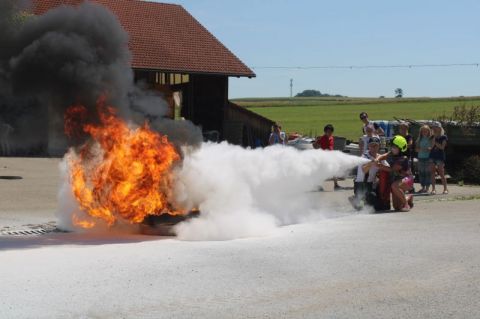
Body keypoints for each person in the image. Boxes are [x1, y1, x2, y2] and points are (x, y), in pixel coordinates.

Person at [349, 136, 388, 210]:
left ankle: (360, 200)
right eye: (371, 145)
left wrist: (381, 166)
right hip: (361, 185)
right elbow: (364, 170)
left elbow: (388, 168)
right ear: (368, 146)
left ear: (379, 146)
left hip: (370, 185)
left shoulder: (379, 157)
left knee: (382, 206)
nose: (373, 147)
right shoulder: (364, 156)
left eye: (376, 145)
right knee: (364, 208)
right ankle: (356, 199)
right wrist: (372, 163)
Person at [377, 135, 414, 212]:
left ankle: (406, 205)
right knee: (397, 207)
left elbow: (392, 169)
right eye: (392, 146)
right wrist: (376, 159)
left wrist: (379, 166)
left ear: (400, 149)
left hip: (407, 180)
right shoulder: (391, 153)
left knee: (394, 186)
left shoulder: (403, 159)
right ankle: (409, 197)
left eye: (394, 147)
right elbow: (382, 156)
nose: (392, 148)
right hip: (397, 180)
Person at [314, 124, 340, 189]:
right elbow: (314, 145)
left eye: (331, 132)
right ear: (325, 132)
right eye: (328, 132)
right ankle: (318, 185)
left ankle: (336, 185)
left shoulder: (331, 137)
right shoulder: (322, 138)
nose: (329, 133)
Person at [429, 123, 448, 195]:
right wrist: (432, 144)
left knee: (441, 173)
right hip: (432, 156)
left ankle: (445, 189)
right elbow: (431, 147)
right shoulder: (432, 137)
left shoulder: (444, 137)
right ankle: (433, 189)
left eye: (436, 127)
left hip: (440, 157)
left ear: (440, 128)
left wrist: (435, 142)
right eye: (433, 128)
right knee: (432, 173)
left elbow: (442, 147)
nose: (434, 129)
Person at [415, 125, 433, 193]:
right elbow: (416, 149)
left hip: (428, 158)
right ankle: (423, 187)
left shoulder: (431, 139)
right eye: (423, 131)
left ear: (429, 131)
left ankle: (427, 187)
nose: (424, 132)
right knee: (421, 173)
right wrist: (421, 149)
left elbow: (431, 148)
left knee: (428, 173)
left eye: (426, 131)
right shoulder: (419, 139)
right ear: (421, 132)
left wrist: (427, 149)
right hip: (420, 157)